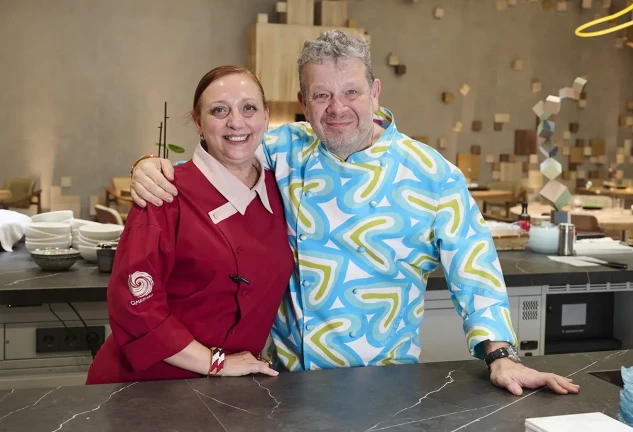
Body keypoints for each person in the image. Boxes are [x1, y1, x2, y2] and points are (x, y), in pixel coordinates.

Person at [129, 31, 579, 396]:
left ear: (375, 92)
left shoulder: (431, 173)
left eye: (351, 92)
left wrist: (500, 355)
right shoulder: (283, 149)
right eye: (321, 95)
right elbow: (220, 147)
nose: (337, 109)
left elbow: (474, 267)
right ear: (303, 102)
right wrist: (148, 164)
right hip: (283, 384)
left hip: (385, 385)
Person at [86, 65, 294, 384]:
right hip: (148, 384)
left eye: (249, 108)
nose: (236, 122)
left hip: (232, 388)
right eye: (219, 110)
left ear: (266, 116)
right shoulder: (165, 192)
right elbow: (135, 305)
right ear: (198, 123)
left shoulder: (283, 188)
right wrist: (216, 363)